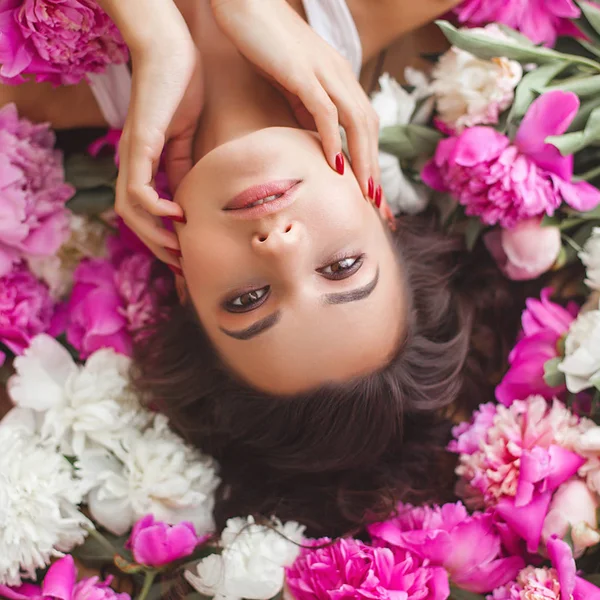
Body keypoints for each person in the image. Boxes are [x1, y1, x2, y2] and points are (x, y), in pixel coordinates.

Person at [0, 0, 525, 536]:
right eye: (342, 267)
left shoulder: (29, 78)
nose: (279, 247)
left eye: (248, 300)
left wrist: (154, 30)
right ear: (382, 212)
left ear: (186, 287)